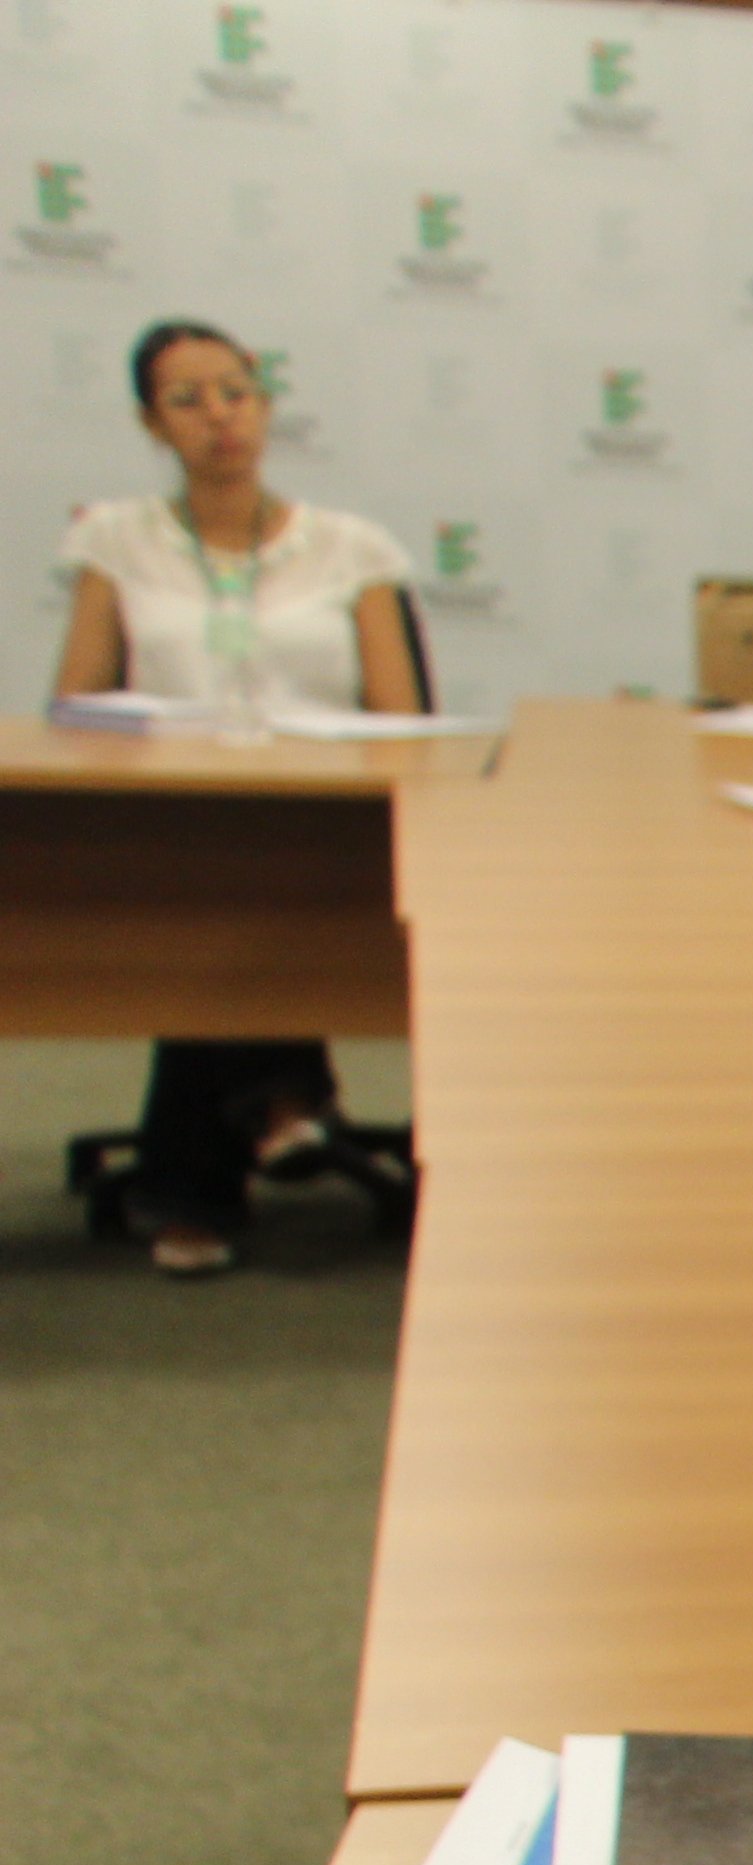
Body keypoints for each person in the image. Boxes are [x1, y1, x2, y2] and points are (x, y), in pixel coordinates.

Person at [48, 317, 425, 1275]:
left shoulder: (351, 548)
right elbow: (76, 709)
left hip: (326, 822)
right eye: (189, 400)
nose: (221, 417)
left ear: (263, 402)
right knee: (212, 887)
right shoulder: (116, 542)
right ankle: (282, 1103)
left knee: (252, 890)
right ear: (151, 423)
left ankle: (195, 1188)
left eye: (237, 391)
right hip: (167, 816)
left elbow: (403, 719)